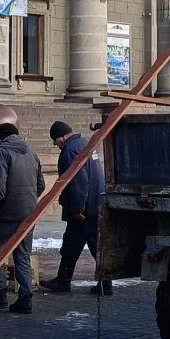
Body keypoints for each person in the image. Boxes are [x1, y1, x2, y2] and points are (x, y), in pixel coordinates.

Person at [0, 121, 43, 314]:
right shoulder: (31, 153)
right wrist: (28, 202)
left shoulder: (1, 153)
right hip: (28, 214)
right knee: (22, 256)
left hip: (8, 214)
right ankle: (25, 298)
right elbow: (41, 185)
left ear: (0, 137)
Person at [43, 120, 110, 296]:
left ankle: (63, 281)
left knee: (71, 245)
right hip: (96, 204)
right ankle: (106, 284)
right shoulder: (85, 144)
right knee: (96, 245)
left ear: (62, 137)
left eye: (55, 141)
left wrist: (77, 209)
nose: (55, 145)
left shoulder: (70, 150)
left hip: (83, 210)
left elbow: (78, 181)